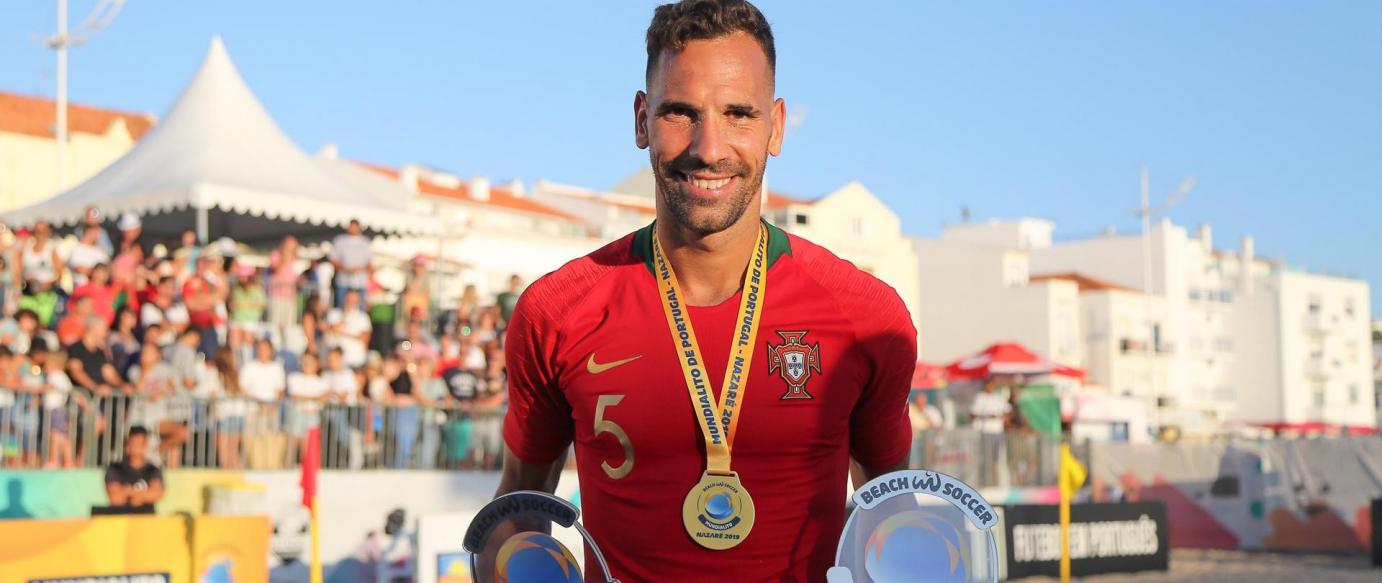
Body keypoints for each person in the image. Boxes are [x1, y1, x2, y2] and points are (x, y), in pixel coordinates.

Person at [495, 2, 917, 579]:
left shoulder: (868, 317)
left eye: (739, 114)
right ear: (641, 120)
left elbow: (891, 511)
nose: (710, 147)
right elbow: (518, 504)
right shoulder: (556, 313)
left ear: (777, 126)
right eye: (680, 112)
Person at [105, 426, 164, 508]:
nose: (136, 447)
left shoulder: (153, 470)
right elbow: (115, 498)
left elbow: (156, 495)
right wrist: (143, 495)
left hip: (146, 517)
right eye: (133, 443)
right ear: (127, 444)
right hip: (120, 517)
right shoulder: (115, 468)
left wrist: (128, 491)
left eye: (139, 443)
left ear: (145, 444)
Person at [970, 379, 1012, 486]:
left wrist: (1004, 419)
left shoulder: (998, 397)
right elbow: (972, 413)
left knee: (996, 458)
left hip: (997, 431)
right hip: (986, 431)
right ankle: (986, 481)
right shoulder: (980, 397)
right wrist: (987, 416)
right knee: (986, 457)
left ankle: (994, 481)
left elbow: (1008, 411)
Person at [328, 219, 372, 307]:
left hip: (360, 282)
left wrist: (358, 269)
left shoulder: (365, 242)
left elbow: (370, 263)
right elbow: (333, 260)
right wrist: (345, 269)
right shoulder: (340, 241)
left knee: (360, 308)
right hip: (343, 282)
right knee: (342, 306)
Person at [325, 289, 371, 369]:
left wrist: (343, 333)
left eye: (354, 299)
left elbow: (365, 338)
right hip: (335, 363)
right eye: (349, 299)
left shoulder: (363, 317)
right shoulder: (334, 313)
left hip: (355, 362)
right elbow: (328, 329)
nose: (351, 302)